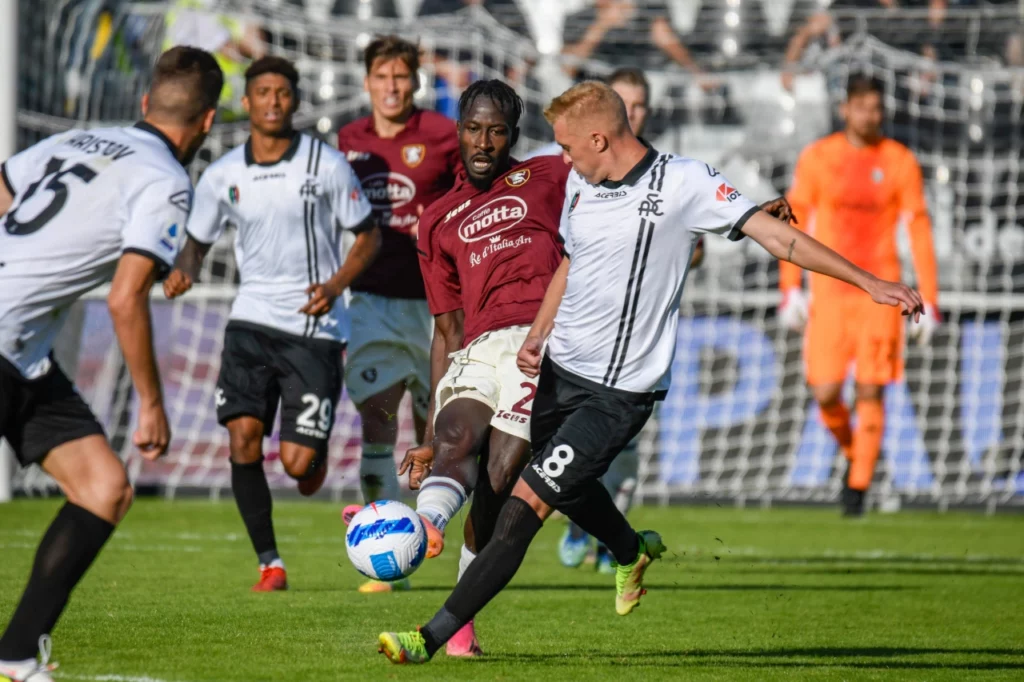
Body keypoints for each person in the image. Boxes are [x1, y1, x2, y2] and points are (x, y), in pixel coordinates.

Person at [376, 80, 925, 664]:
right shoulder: (583, 187)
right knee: (556, 487)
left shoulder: (685, 182)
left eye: (566, 147)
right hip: (559, 370)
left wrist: (873, 282)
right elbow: (569, 261)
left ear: (597, 137)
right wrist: (538, 333)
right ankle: (629, 548)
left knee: (524, 503)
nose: (559, 160)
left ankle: (429, 638)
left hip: (616, 395)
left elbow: (782, 241)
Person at [0, 46, 223, 682]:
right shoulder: (166, 180)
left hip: (24, 352)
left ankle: (15, 658)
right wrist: (152, 404)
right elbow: (125, 298)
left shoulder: (78, 140)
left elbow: (2, 187)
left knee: (103, 488)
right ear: (207, 123)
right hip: (8, 341)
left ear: (147, 103)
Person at [163, 56, 381, 592]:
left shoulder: (325, 165)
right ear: (249, 100)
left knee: (298, 467)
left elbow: (368, 235)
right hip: (250, 321)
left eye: (282, 93)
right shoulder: (222, 175)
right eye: (262, 92)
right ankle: (270, 563)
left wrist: (333, 287)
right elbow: (197, 241)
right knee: (242, 438)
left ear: (295, 100)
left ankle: (313, 459)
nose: (273, 102)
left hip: (314, 328)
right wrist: (181, 271)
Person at [400, 79, 572, 657]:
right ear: (459, 130)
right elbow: (446, 329)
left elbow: (623, 193)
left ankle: (460, 626)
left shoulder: (549, 176)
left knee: (499, 477)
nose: (483, 141)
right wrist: (426, 433)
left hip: (539, 341)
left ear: (512, 136)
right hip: (477, 345)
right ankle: (425, 527)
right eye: (473, 128)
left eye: (496, 130)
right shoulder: (437, 220)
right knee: (456, 436)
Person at [778, 73, 939, 516]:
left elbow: (918, 228)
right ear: (845, 108)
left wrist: (931, 299)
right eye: (863, 106)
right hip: (828, 292)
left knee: (871, 390)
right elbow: (791, 222)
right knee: (826, 392)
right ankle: (855, 453)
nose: (871, 115)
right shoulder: (819, 157)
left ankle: (859, 485)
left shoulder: (899, 160)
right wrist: (789, 289)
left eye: (877, 107)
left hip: (880, 291)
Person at [335, 36, 461, 595]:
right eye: (381, 77)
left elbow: (467, 198)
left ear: (416, 82)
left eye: (401, 77)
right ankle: (386, 553)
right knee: (377, 426)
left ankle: (425, 533)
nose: (391, 87)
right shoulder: (349, 140)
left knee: (429, 429)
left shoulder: (440, 134)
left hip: (437, 306)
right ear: (367, 82)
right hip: (371, 303)